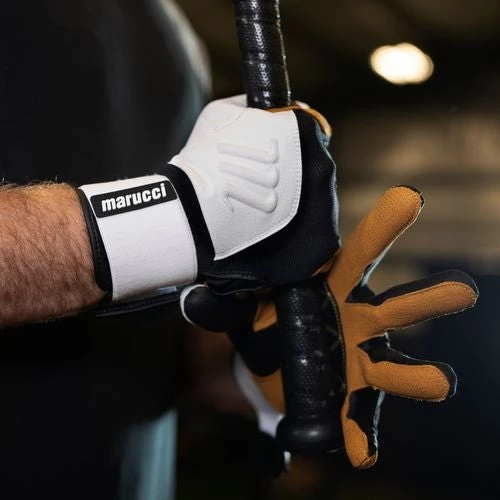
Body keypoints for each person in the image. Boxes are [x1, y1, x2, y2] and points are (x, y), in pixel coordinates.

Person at [0, 1, 340, 499]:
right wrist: (173, 219)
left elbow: (149, 324)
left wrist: (246, 364)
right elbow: (182, 224)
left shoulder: (172, 33)